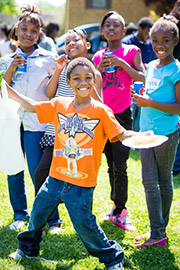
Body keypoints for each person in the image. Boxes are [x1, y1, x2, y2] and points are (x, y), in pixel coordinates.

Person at [5, 57, 152, 269]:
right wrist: (9, 91)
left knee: (85, 224)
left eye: (88, 77)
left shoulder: (101, 111)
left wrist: (142, 135)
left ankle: (112, 258)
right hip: (55, 177)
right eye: (77, 78)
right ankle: (27, 248)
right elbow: (33, 107)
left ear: (94, 80)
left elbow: (121, 134)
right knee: (37, 213)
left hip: (82, 183)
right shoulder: (60, 104)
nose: (83, 82)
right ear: (69, 81)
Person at [34, 28, 103, 234]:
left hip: (80, 136)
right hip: (57, 132)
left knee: (80, 179)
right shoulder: (62, 70)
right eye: (67, 41)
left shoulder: (93, 74)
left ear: (87, 45)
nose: (71, 44)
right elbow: (49, 94)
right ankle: (47, 219)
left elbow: (100, 105)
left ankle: (84, 222)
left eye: (76, 40)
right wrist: (58, 69)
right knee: (42, 174)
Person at [0, 4, 61, 232]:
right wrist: (11, 68)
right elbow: (1, 88)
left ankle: (51, 219)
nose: (28, 34)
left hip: (37, 122)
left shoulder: (49, 59)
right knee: (14, 169)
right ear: (16, 29)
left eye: (33, 31)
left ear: (40, 33)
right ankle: (19, 214)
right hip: (12, 122)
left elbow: (52, 93)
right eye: (24, 29)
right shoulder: (6, 59)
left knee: (39, 171)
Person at [92, 11, 145, 231]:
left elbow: (142, 77)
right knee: (109, 163)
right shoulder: (97, 55)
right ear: (103, 30)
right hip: (102, 114)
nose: (111, 29)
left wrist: (122, 63)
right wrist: (99, 70)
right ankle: (115, 207)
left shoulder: (132, 51)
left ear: (124, 31)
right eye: (107, 26)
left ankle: (122, 211)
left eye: (116, 26)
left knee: (120, 164)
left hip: (122, 115)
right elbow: (93, 85)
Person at [131, 18, 180, 247]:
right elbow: (151, 92)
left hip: (167, 134)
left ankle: (158, 232)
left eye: (165, 40)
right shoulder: (151, 66)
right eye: (155, 40)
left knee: (162, 180)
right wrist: (139, 93)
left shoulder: (177, 69)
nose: (160, 45)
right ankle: (156, 231)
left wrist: (148, 102)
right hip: (145, 133)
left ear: (175, 41)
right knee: (148, 182)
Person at [122, 17, 156, 132]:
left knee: (141, 115)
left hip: (145, 85)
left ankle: (138, 140)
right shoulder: (127, 42)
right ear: (139, 28)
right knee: (130, 114)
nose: (148, 36)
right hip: (128, 86)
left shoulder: (151, 45)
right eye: (147, 33)